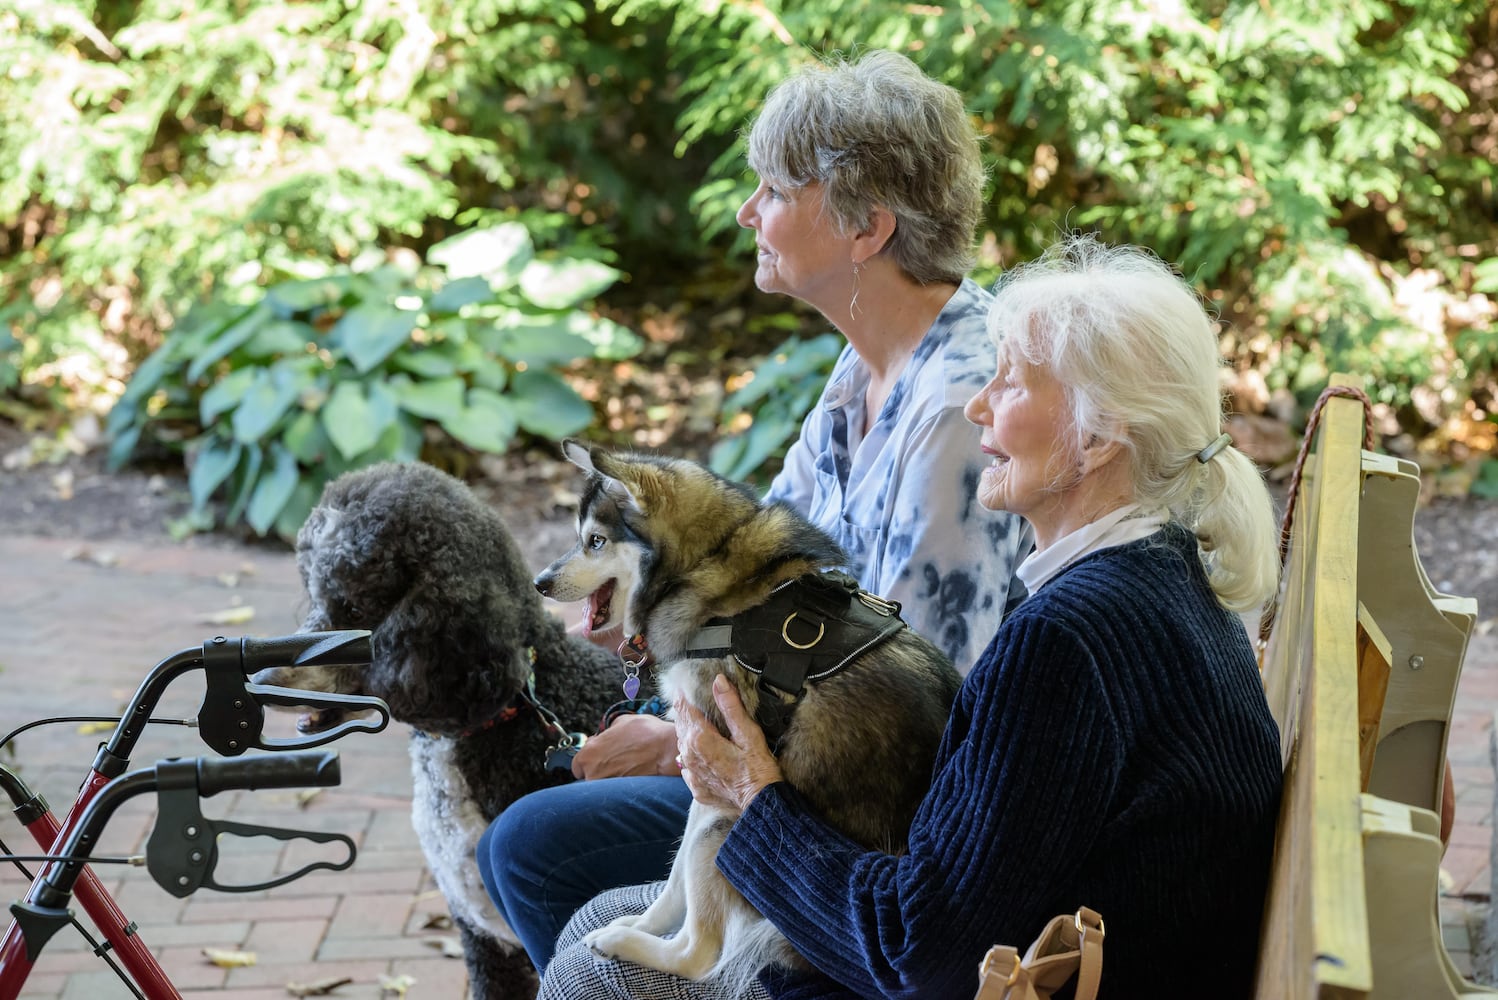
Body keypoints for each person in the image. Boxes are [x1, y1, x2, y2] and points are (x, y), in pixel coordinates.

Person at [540, 234, 1286, 999]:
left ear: (1096, 439)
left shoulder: (1070, 639)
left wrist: (755, 797)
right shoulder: (1161, 573)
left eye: (1013, 384)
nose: (977, 404)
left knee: (589, 976)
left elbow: (918, 952)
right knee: (596, 935)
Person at [476, 48, 1032, 971]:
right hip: (799, 756)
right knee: (533, 820)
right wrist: (648, 616)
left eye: (774, 188)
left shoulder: (956, 413)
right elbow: (747, 573)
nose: (747, 212)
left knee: (532, 849)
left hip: (867, 820)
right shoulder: (870, 366)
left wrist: (678, 741)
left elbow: (905, 700)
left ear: (866, 229)